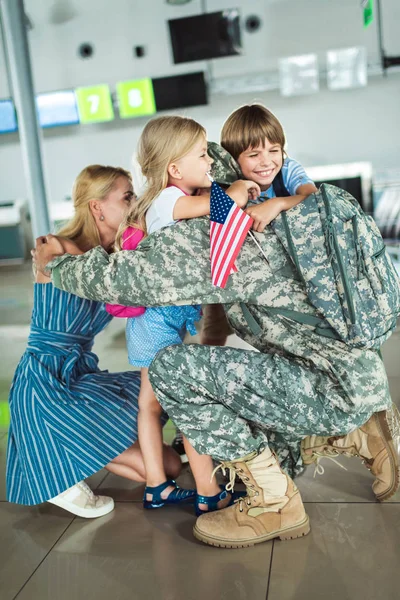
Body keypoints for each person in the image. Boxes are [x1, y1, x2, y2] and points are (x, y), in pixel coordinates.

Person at [33, 143, 399, 547]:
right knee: (227, 393)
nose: (206, 163)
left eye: (207, 157)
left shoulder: (221, 228)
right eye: (200, 155)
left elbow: (125, 282)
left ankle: (276, 502)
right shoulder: (287, 211)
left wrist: (55, 263)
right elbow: (222, 313)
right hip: (354, 373)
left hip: (327, 384)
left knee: (172, 369)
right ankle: (357, 430)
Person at [7, 164, 181, 519]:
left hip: (81, 376)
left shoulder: (115, 261)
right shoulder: (57, 248)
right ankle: (61, 465)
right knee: (159, 469)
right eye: (127, 196)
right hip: (44, 386)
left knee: (170, 463)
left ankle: (69, 453)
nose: (135, 205)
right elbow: (53, 259)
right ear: (97, 207)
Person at [105, 115, 258, 514]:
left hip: (155, 323)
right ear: (174, 168)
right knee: (184, 403)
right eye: (203, 154)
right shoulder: (168, 200)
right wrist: (238, 187)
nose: (210, 162)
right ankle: (209, 492)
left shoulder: (162, 201)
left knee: (152, 406)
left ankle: (158, 486)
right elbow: (224, 204)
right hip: (156, 325)